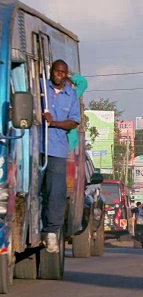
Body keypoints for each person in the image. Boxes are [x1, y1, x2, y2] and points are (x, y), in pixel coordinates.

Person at [40, 60, 80, 253]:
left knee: (55, 192)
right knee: (35, 189)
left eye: (63, 73)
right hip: (35, 147)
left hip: (57, 150)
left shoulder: (70, 95)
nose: (59, 75)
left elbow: (73, 122)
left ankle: (51, 231)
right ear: (51, 72)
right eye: (57, 71)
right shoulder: (40, 87)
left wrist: (54, 123)